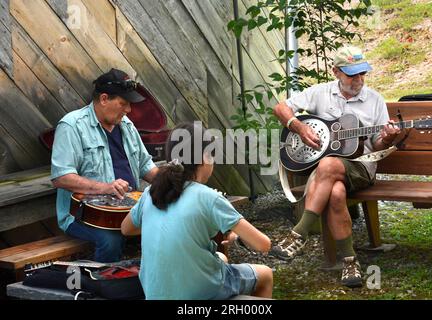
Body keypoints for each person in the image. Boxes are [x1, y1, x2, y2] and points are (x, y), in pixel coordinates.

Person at [271, 45, 401, 288]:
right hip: (327, 174)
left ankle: (299, 234)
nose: (359, 79)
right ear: (336, 72)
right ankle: (350, 261)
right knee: (336, 192)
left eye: (362, 73)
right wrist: (299, 127)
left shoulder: (374, 100)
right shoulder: (321, 93)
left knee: (329, 164)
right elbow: (280, 108)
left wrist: (389, 137)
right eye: (352, 74)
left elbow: (379, 143)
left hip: (361, 167)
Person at [121, 122, 273, 300]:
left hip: (155, 292)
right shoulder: (209, 197)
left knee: (220, 259)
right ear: (204, 158)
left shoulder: (151, 192)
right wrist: (236, 238)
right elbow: (263, 245)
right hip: (200, 291)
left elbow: (126, 229)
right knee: (265, 274)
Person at [51, 68, 159, 263]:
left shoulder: (126, 125)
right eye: (123, 104)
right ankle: (103, 287)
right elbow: (61, 177)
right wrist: (106, 187)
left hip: (127, 209)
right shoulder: (71, 126)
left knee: (168, 224)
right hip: (84, 216)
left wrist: (174, 182)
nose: (128, 110)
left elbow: (145, 165)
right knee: (110, 240)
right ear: (103, 99)